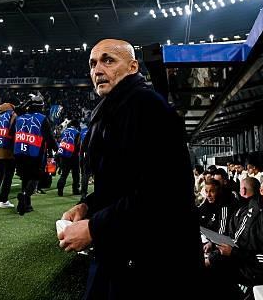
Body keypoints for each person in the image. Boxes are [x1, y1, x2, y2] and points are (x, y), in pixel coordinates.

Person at [58, 39, 203, 299]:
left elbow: (163, 192)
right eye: (92, 64)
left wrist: (95, 228)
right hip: (125, 253)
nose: (97, 70)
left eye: (108, 60)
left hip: (154, 264)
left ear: (133, 67)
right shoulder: (113, 110)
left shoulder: (147, 107)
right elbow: (124, 184)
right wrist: (87, 206)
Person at [205, 175, 263, 297]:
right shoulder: (253, 204)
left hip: (259, 272)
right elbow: (238, 237)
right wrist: (218, 248)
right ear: (261, 191)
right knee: (212, 260)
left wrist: (234, 253)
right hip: (242, 261)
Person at [13, 92, 57, 215]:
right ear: (41, 107)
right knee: (35, 177)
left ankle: (26, 205)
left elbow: (17, 111)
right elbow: (49, 138)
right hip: (35, 153)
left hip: (19, 152)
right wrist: (56, 148)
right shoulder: (42, 118)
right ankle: (25, 196)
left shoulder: (19, 117)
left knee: (25, 178)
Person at [0, 99, 17, 208]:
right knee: (8, 174)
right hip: (8, 148)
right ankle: (3, 200)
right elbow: (13, 130)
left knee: (0, 171)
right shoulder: (13, 115)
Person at [56, 119, 81, 196]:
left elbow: (60, 141)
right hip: (73, 156)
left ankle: (60, 189)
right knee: (76, 174)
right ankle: (75, 190)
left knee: (64, 174)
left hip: (63, 155)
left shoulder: (64, 131)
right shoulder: (77, 132)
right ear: (77, 125)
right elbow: (78, 146)